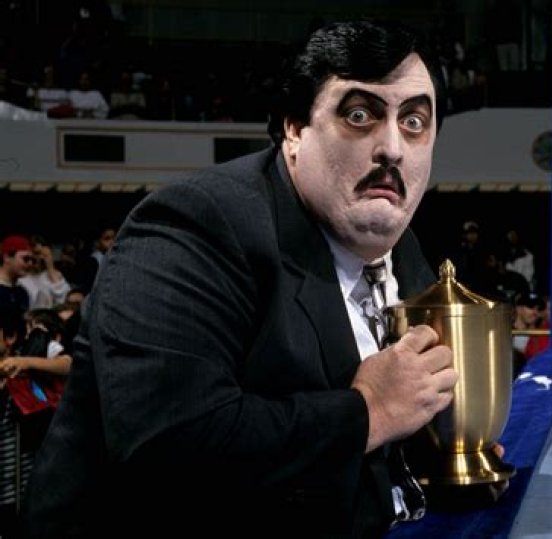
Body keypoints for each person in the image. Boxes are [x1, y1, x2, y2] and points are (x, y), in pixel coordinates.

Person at [23, 19, 468, 538]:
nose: (392, 147)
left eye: (414, 121)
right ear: (294, 130)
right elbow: (168, 445)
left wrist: (445, 454)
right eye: (359, 115)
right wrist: (368, 412)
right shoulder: (193, 226)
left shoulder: (402, 247)